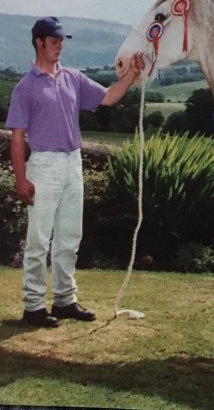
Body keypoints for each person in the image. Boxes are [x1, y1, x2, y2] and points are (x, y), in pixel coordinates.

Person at [5, 17, 145, 328]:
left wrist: (132, 73)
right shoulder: (25, 87)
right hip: (43, 165)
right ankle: (33, 307)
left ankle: (66, 300)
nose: (60, 45)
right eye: (54, 40)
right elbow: (17, 137)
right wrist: (21, 179)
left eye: (62, 41)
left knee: (70, 236)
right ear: (39, 42)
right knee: (39, 240)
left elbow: (108, 96)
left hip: (72, 162)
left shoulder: (72, 78)